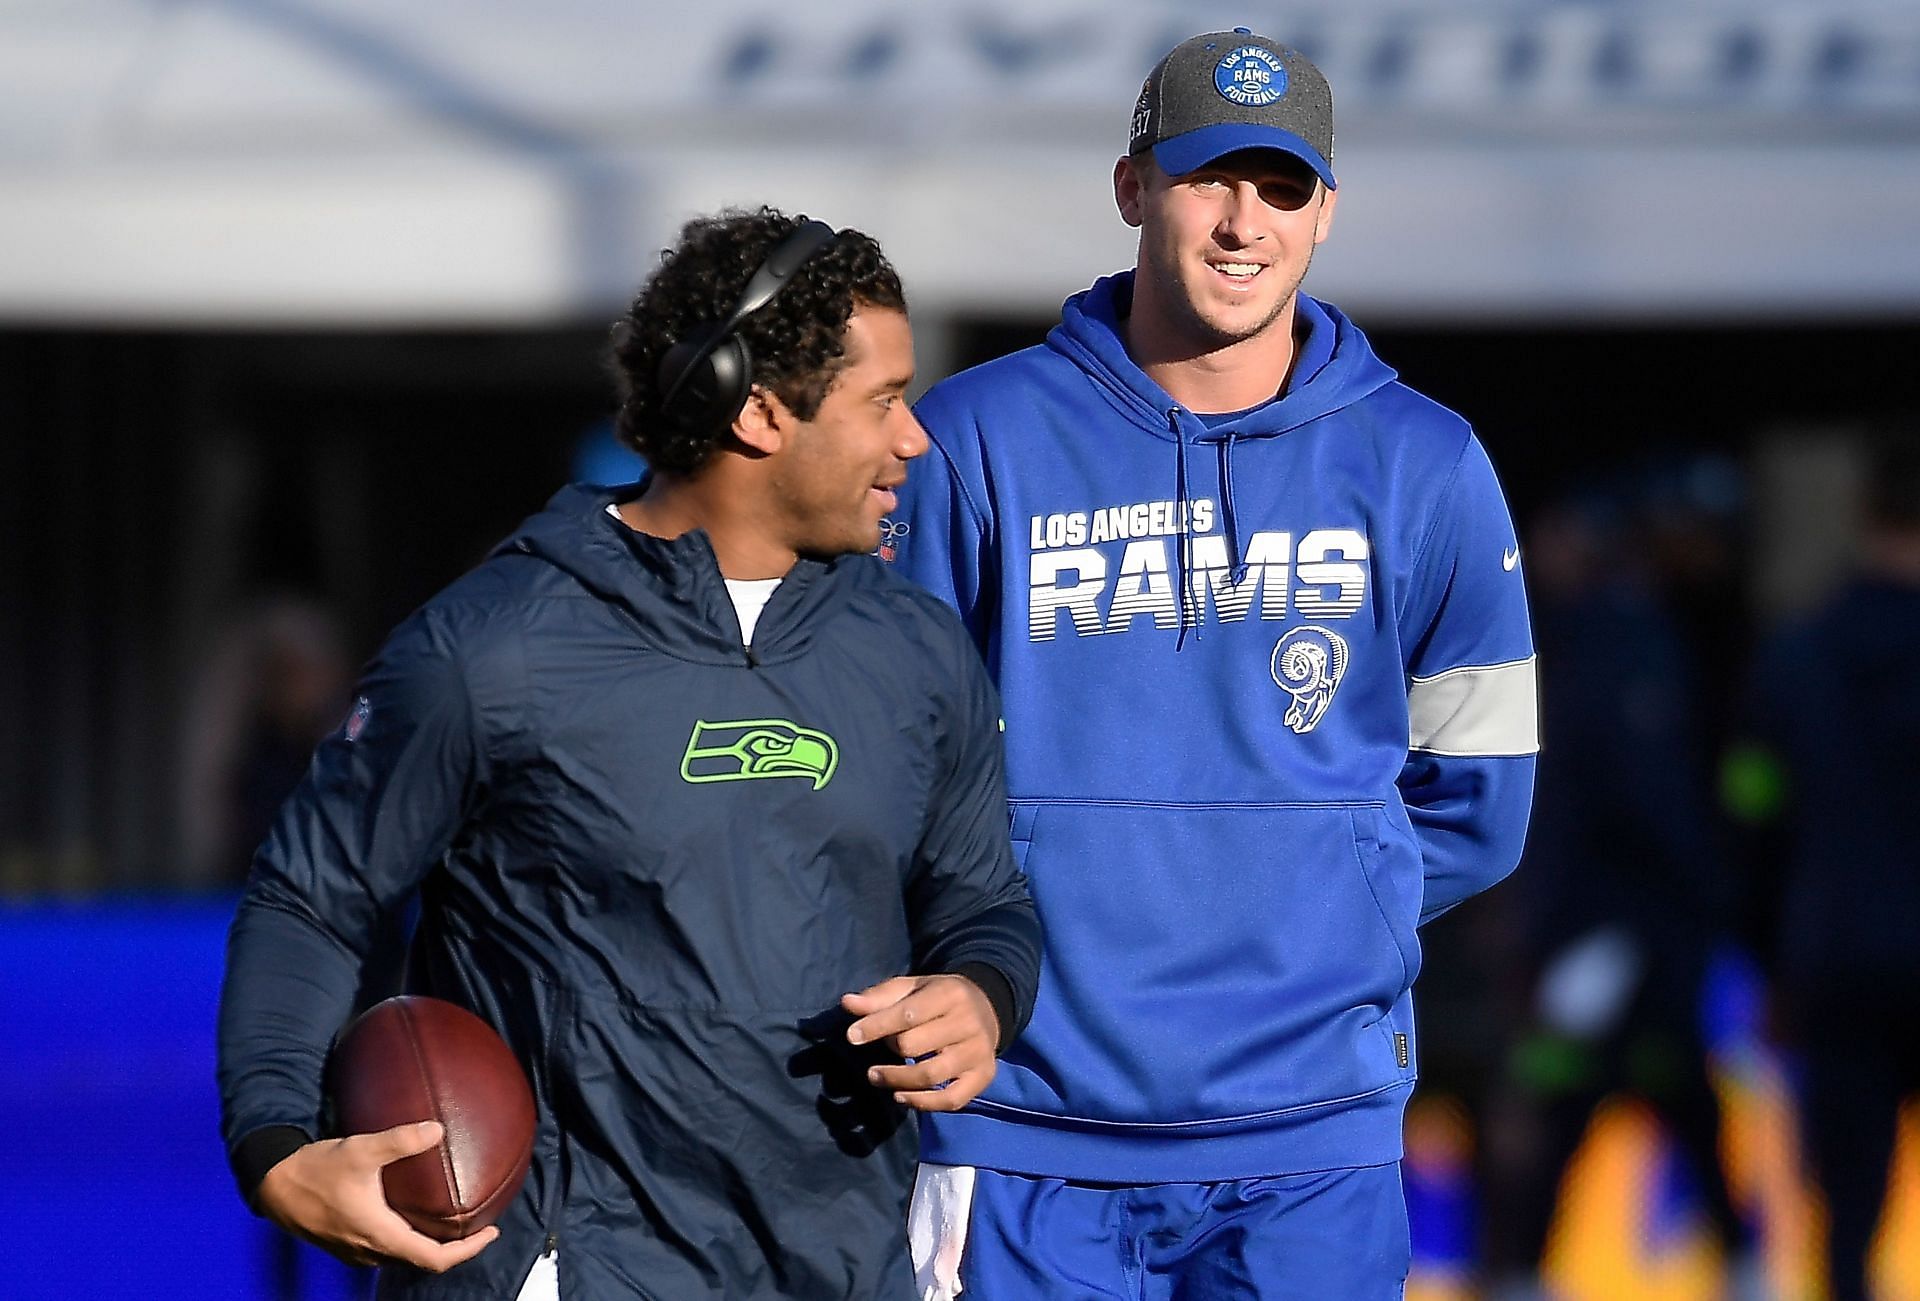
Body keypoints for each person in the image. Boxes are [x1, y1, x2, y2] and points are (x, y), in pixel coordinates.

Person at [216, 208, 1042, 1300]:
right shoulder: (494, 645)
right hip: (568, 1266)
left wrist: (982, 992)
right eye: (883, 401)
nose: (914, 440)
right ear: (758, 412)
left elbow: (984, 899)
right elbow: (312, 897)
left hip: (846, 1263)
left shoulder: (919, 650)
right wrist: (277, 1143)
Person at [885, 30, 1538, 1298]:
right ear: (1134, 189)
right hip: (1022, 1130)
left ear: (1326, 213)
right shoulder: (972, 438)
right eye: (1208, 180)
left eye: (1282, 189)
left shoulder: (1426, 459)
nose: (1245, 223)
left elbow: (1482, 797)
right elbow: (889, 775)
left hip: (1310, 1139)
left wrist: (1305, 911)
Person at [1731, 437, 1920, 1301]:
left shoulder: (1798, 656)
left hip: (1836, 954)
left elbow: (1753, 814)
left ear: (1864, 516)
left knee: (1846, 1205)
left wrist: (1767, 957)